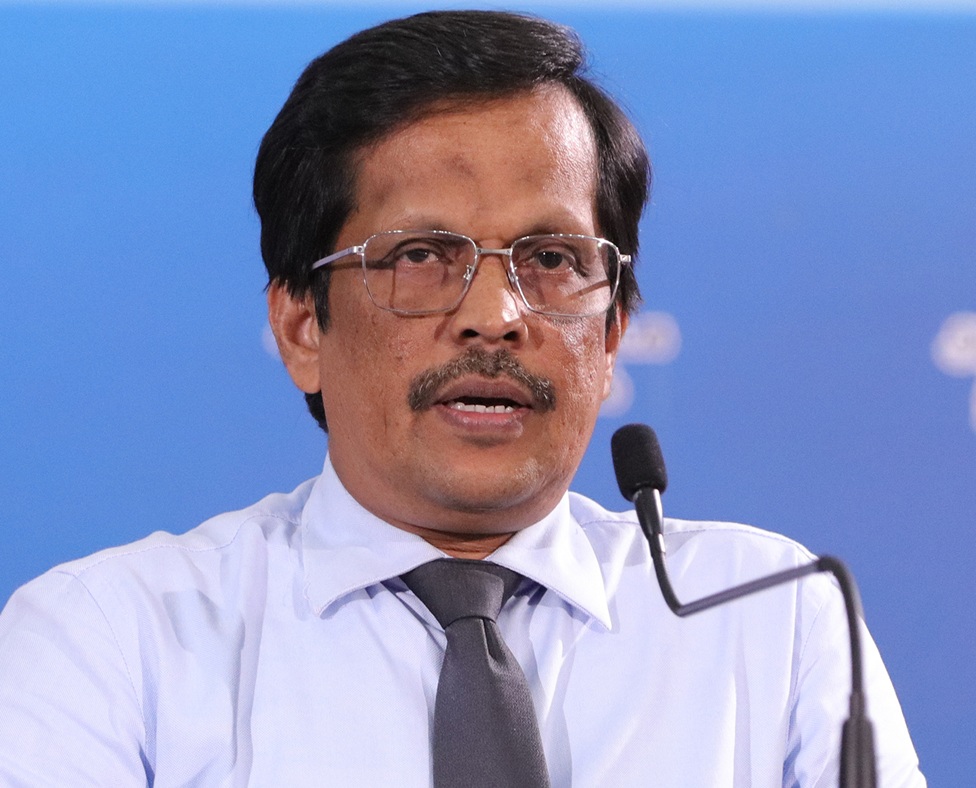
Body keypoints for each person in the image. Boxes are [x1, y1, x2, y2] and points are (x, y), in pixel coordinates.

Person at [0, 10, 924, 786]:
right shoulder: (114, 641)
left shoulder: (768, 619)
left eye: (552, 259)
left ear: (611, 334)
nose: (495, 317)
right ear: (302, 327)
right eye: (420, 257)